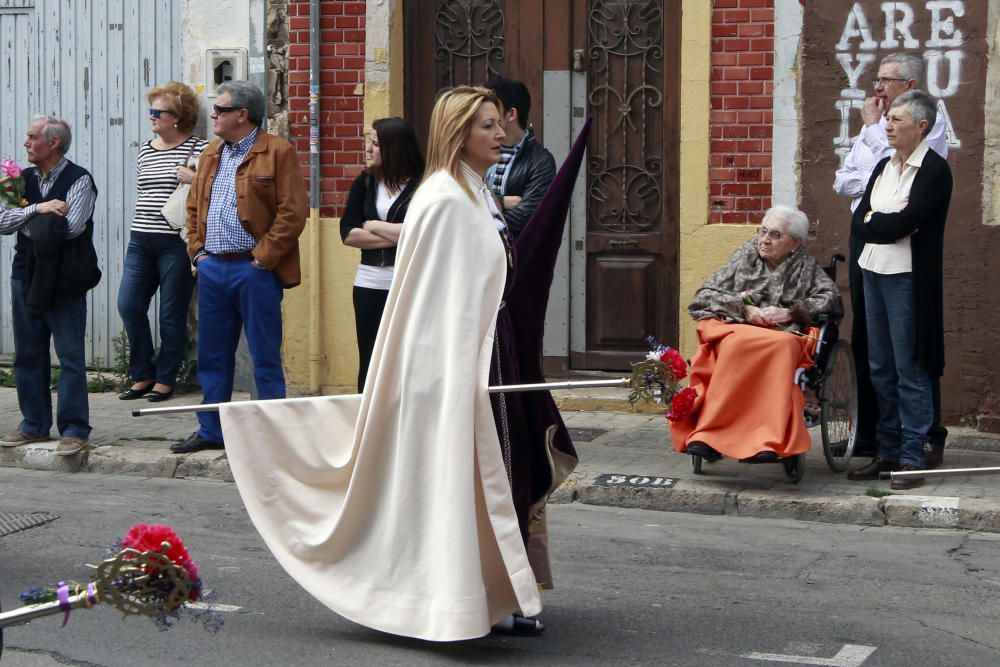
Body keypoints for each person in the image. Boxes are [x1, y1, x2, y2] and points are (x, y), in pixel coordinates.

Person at [216, 86, 589, 641]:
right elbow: (433, 304)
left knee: (498, 479)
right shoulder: (443, 198)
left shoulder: (475, 190)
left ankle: (499, 593)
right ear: (459, 134)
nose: (498, 133)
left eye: (497, 124)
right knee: (469, 483)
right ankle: (462, 599)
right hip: (463, 363)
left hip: (491, 352)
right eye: (486, 125)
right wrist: (451, 375)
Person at [170, 80, 307, 454]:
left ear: (242, 115)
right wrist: (198, 254)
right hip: (213, 268)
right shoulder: (213, 152)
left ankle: (270, 434)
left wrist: (263, 258)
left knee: (264, 355)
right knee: (212, 355)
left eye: (220, 109)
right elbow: (195, 207)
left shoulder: (277, 152)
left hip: (254, 270)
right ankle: (212, 430)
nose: (212, 115)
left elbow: (293, 214)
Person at [833, 53, 949, 467]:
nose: (887, 124)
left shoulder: (931, 158)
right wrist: (878, 221)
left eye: (896, 121)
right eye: (887, 121)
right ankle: (884, 447)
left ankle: (915, 449)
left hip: (906, 274)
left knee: (910, 364)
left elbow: (906, 219)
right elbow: (854, 199)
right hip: (872, 267)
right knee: (879, 362)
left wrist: (877, 221)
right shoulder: (884, 162)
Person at [671, 205, 843, 462]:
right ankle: (710, 436)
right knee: (732, 344)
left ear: (795, 243)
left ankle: (766, 439)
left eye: (775, 235)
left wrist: (791, 313)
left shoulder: (807, 268)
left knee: (783, 346)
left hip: (782, 336)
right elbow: (704, 295)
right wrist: (745, 309)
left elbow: (832, 300)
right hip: (741, 329)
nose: (764, 240)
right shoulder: (744, 257)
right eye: (763, 232)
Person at [0, 116, 101, 456]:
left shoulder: (79, 179)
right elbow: (1, 220)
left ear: (53, 143)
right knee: (28, 352)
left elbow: (70, 228)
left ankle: (74, 428)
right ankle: (34, 424)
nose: (26, 143)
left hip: (65, 276)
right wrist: (39, 209)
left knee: (70, 354)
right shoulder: (21, 180)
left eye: (32, 137)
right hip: (25, 272)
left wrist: (24, 217)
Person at [117, 82, 207, 404]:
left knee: (171, 314)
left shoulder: (200, 149)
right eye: (151, 111)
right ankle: (142, 373)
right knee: (128, 304)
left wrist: (194, 178)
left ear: (179, 117)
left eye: (159, 112)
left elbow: (218, 189)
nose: (152, 117)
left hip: (175, 243)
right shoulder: (145, 148)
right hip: (140, 239)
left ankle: (166, 378)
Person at [340, 117, 424, 391]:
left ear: (393, 148)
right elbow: (349, 234)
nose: (369, 148)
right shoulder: (365, 182)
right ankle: (366, 422)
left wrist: (374, 225)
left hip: (408, 284)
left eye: (375, 143)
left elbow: (422, 233)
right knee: (370, 358)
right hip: (368, 283)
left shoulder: (422, 185)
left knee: (407, 358)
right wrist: (398, 233)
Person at [485, 76, 556, 239]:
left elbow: (526, 218)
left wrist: (478, 222)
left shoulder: (540, 161)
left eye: (493, 109)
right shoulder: (478, 148)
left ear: (511, 114)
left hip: (516, 255)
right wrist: (502, 202)